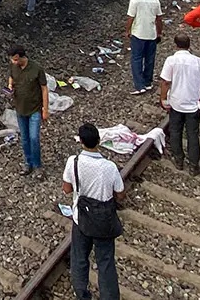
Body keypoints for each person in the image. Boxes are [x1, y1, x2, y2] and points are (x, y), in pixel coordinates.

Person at [62, 123, 124, 300]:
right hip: (104, 221)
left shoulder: (73, 162)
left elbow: (66, 189)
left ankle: (82, 295)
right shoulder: (110, 167)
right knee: (106, 263)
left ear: (81, 141)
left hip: (81, 219)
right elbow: (120, 194)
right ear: (98, 141)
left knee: (79, 260)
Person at [159, 32, 200, 175]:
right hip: (193, 105)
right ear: (188, 46)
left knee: (175, 131)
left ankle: (178, 160)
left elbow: (166, 82)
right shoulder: (199, 62)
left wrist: (163, 99)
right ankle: (194, 166)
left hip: (176, 103)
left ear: (175, 46)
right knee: (193, 135)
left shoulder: (171, 61)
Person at [7, 45, 49, 176]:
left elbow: (44, 88)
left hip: (34, 109)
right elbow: (11, 77)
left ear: (20, 57)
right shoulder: (14, 67)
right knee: (24, 138)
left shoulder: (36, 69)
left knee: (34, 138)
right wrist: (10, 86)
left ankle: (37, 166)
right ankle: (27, 163)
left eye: (14, 59)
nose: (13, 62)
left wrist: (45, 109)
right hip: (20, 108)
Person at [126, 0, 163, 94]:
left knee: (136, 59)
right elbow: (159, 19)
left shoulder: (135, 0)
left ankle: (139, 85)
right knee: (149, 59)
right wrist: (159, 32)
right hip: (151, 34)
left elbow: (131, 17)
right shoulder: (155, 0)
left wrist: (127, 30)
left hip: (138, 33)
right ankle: (148, 82)